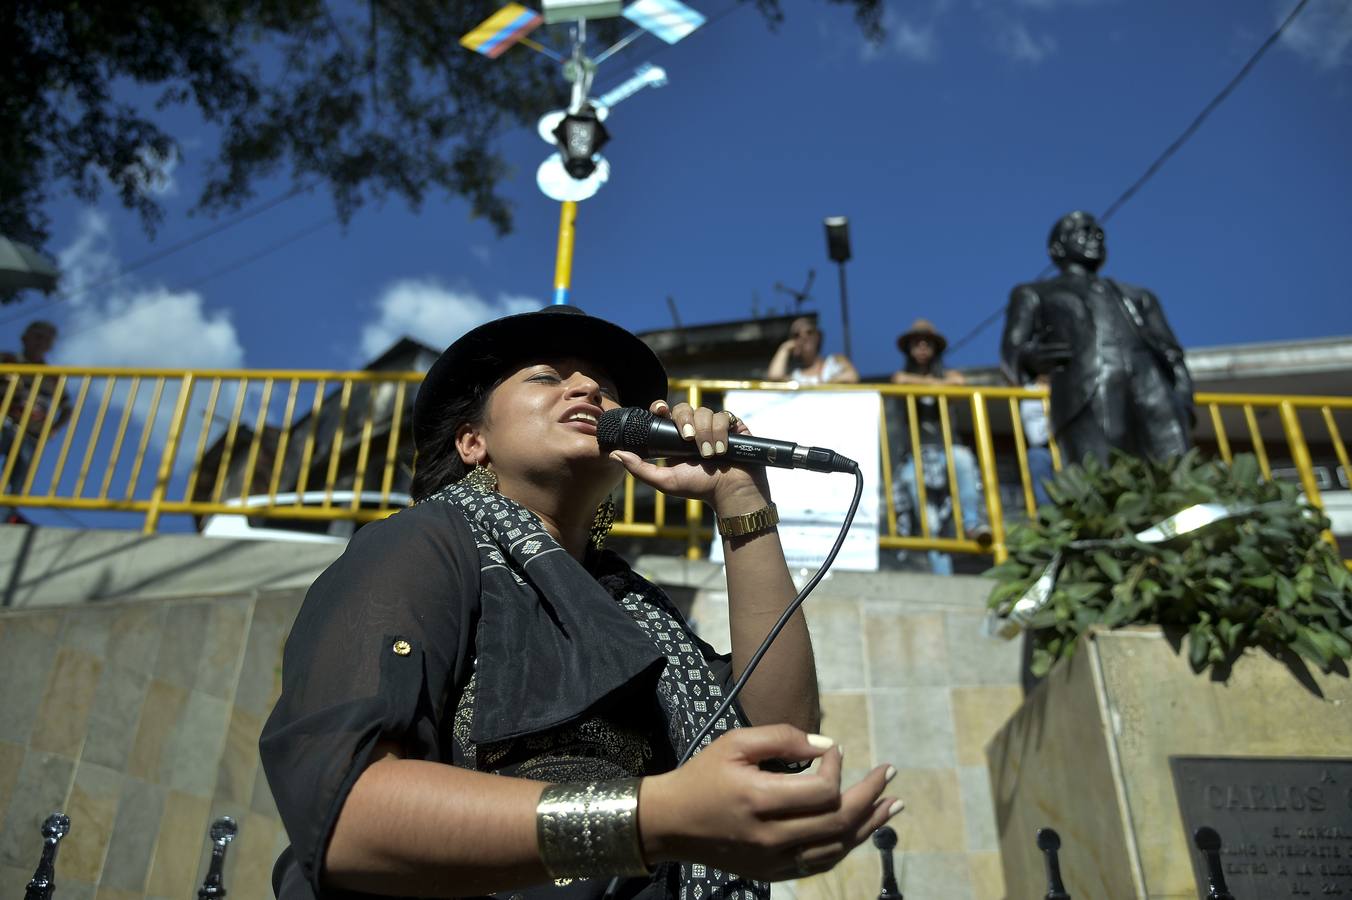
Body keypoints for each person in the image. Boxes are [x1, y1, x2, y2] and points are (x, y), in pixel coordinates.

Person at [259, 305, 902, 900]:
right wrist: (655, 817)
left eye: (603, 386)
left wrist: (741, 500)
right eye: (545, 377)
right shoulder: (425, 544)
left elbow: (777, 745)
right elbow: (344, 813)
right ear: (471, 442)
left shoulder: (637, 608)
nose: (588, 390)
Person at [1000, 211, 1194, 466]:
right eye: (1083, 232)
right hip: (1085, 391)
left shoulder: (1138, 296)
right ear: (1057, 247)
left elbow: (1172, 353)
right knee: (1103, 479)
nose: (1094, 238)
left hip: (1154, 388)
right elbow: (1011, 349)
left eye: (1098, 233)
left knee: (1179, 469)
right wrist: (1030, 357)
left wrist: (1182, 398)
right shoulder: (1035, 292)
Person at [888, 319, 987, 575]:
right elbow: (898, 381)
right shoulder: (902, 377)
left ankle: (973, 524)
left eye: (927, 343)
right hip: (916, 456)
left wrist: (928, 385)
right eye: (916, 343)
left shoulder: (948, 375)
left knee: (963, 458)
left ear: (935, 348)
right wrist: (933, 385)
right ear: (909, 348)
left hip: (947, 450)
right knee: (923, 506)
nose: (922, 347)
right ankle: (943, 575)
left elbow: (960, 383)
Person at [1, 321, 71, 498]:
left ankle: (4, 515)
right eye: (38, 337)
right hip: (4, 422)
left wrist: (54, 428)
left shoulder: (51, 376)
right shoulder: (6, 359)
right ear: (25, 338)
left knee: (17, 479)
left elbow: (67, 407)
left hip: (30, 433)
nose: (41, 343)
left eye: (47, 340)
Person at [766, 317, 859, 385]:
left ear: (818, 336)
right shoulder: (795, 377)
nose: (804, 337)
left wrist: (822, 386)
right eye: (797, 335)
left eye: (809, 332)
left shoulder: (835, 360)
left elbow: (851, 376)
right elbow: (774, 378)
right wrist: (784, 348)